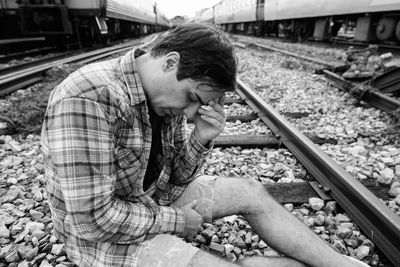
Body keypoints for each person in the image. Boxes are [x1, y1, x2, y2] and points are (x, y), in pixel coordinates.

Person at [41, 23, 369, 267]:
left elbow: (175, 180)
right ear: (170, 62)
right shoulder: (90, 97)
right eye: (192, 99)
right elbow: (93, 220)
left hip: (150, 201)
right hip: (103, 241)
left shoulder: (161, 95)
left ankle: (339, 264)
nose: (188, 113)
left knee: (250, 192)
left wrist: (200, 137)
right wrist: (176, 221)